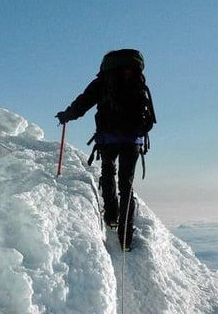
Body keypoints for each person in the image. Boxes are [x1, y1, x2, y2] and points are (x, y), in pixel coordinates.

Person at [56, 49, 156, 251]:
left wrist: (67, 115)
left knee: (108, 171)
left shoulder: (103, 81)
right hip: (132, 140)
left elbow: (84, 102)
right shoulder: (137, 80)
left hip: (108, 137)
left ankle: (111, 216)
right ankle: (126, 238)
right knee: (126, 183)